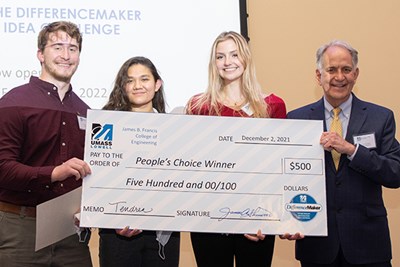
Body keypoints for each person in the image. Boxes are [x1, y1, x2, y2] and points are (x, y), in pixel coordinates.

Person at [284, 40, 400, 267]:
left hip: (368, 246)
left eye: (346, 70)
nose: (340, 76)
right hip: (317, 246)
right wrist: (287, 221)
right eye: (332, 70)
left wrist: (352, 150)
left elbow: (395, 173)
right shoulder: (297, 120)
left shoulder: (380, 117)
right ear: (319, 76)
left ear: (355, 74)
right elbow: (287, 179)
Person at [185, 31, 286, 267]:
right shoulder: (197, 106)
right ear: (214, 63)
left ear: (246, 58)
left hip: (256, 223)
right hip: (207, 221)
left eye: (234, 54)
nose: (227, 62)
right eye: (220, 56)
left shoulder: (272, 106)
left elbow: (279, 170)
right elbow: (190, 165)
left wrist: (266, 219)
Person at [0, 21, 92, 266]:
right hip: (21, 229)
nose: (66, 55)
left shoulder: (87, 112)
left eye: (73, 48)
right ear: (40, 54)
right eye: (58, 47)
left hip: (71, 233)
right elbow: (2, 169)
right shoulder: (13, 103)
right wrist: (54, 173)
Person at [99, 56, 180, 267]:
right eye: (130, 80)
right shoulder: (106, 126)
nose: (137, 86)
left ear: (157, 84)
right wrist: (112, 219)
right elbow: (98, 180)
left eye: (144, 79)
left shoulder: (176, 130)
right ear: (123, 86)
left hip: (163, 233)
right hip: (116, 232)